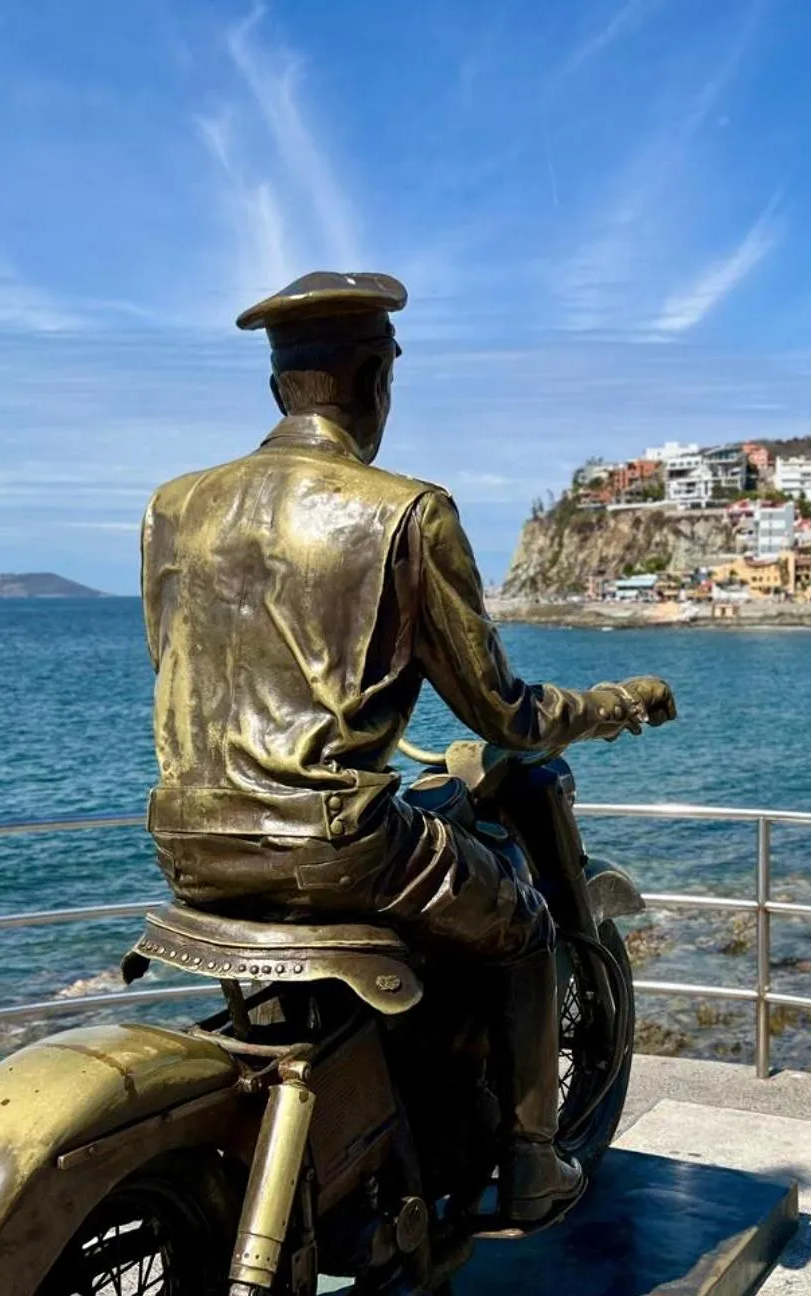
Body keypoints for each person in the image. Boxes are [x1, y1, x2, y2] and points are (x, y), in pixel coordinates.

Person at [140, 270, 675, 1224]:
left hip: (187, 841)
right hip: (338, 847)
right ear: (377, 379)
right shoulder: (405, 512)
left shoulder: (173, 507)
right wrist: (613, 704)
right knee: (524, 925)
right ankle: (532, 1163)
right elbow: (505, 715)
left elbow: (182, 666)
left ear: (279, 385)